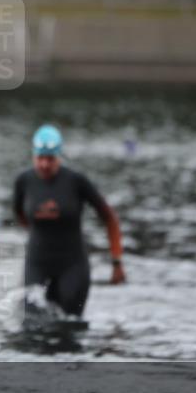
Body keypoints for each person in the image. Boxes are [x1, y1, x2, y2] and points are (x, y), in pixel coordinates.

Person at [14, 124, 125, 318]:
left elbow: (110, 218)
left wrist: (116, 261)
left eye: (50, 159)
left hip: (72, 264)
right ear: (33, 156)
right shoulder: (24, 181)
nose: (45, 165)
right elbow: (20, 215)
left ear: (59, 157)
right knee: (30, 321)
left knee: (68, 325)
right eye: (40, 158)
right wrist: (37, 234)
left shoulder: (76, 181)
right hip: (37, 262)